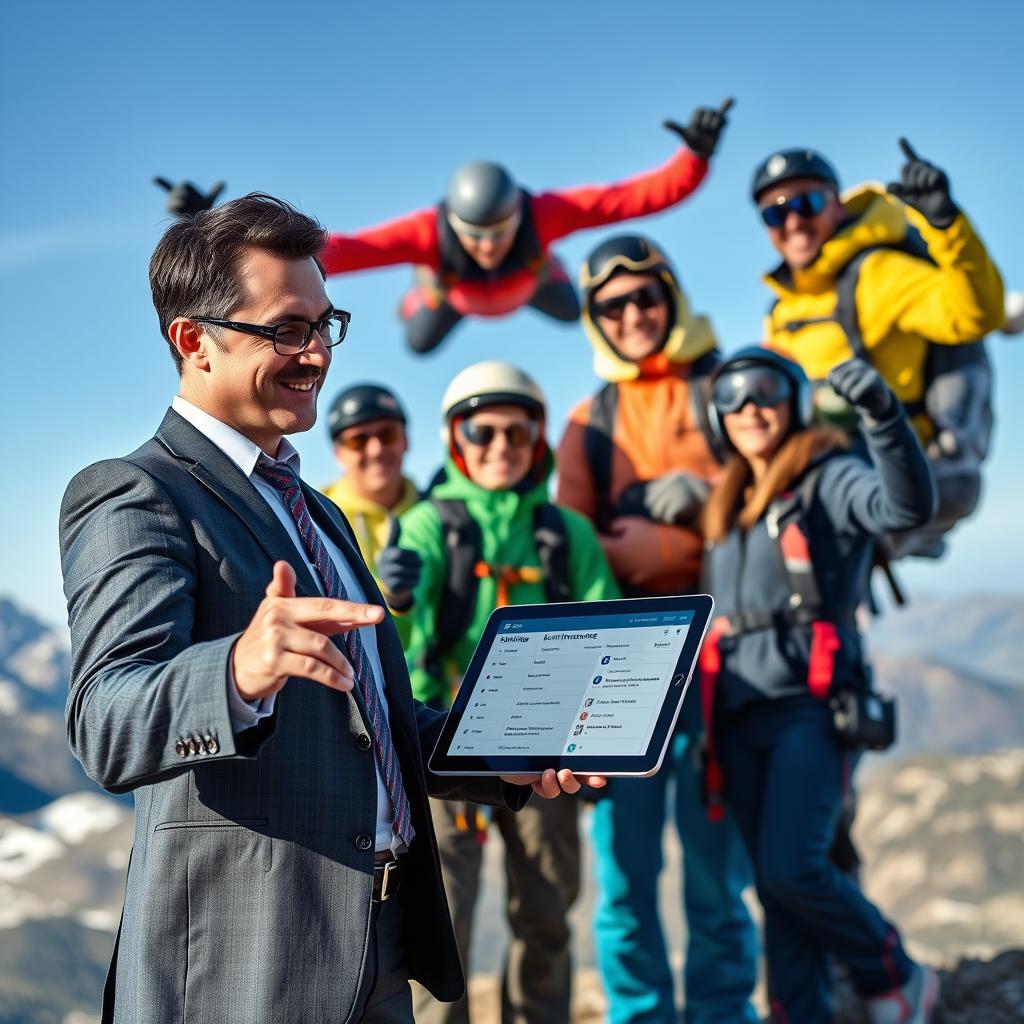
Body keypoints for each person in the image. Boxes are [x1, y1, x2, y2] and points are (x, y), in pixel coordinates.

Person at [58, 194, 601, 1024]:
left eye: (324, 324)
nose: (315, 352)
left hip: (378, 951)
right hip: (244, 973)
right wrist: (237, 670)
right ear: (193, 340)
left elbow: (374, 720)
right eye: (286, 329)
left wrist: (507, 757)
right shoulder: (135, 494)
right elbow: (106, 720)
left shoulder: (317, 511)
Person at [699, 346, 939, 1023]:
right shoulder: (727, 499)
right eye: (732, 396)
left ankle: (894, 970)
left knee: (791, 869)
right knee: (778, 892)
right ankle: (796, 1012)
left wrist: (884, 416)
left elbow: (904, 510)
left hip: (811, 707)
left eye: (766, 390)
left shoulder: (829, 473)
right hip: (737, 715)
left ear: (795, 400)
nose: (750, 407)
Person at [376, 361, 619, 1024]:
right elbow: (386, 638)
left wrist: (604, 743)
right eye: (483, 432)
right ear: (457, 439)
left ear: (538, 440)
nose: (501, 447)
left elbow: (606, 633)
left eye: (517, 433)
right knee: (443, 922)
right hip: (445, 749)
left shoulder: (567, 534)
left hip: (545, 757)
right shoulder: (429, 526)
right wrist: (390, 594)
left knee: (545, 916)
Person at [556, 235, 758, 1024]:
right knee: (626, 870)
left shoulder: (725, 388)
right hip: (623, 667)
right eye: (613, 305)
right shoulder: (591, 420)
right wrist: (658, 545)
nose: (633, 315)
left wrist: (702, 505)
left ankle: (722, 1010)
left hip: (719, 654)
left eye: (646, 298)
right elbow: (568, 542)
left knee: (714, 867)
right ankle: (639, 1013)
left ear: (671, 298)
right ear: (593, 318)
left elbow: (771, 493)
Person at [319, 100, 733, 354]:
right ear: (454, 224)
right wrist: (261, 245)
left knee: (574, 312)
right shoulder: (425, 233)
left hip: (527, 285)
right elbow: (349, 250)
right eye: (474, 236)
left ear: (517, 215)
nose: (488, 246)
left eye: (500, 232)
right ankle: (420, 287)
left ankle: (549, 266)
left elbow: (632, 199)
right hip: (457, 295)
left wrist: (693, 158)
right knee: (418, 343)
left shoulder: (546, 214)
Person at [752, 140, 1004, 556]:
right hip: (815, 473)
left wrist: (946, 226)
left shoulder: (879, 274)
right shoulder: (781, 307)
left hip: (888, 470)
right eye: (775, 212)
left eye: (808, 203)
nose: (793, 222)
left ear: (838, 204)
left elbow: (975, 314)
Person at [322, 383, 419, 575]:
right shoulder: (316, 518)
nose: (376, 450)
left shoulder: (440, 513)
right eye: (358, 441)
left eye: (388, 435)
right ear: (338, 454)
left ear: (406, 440)